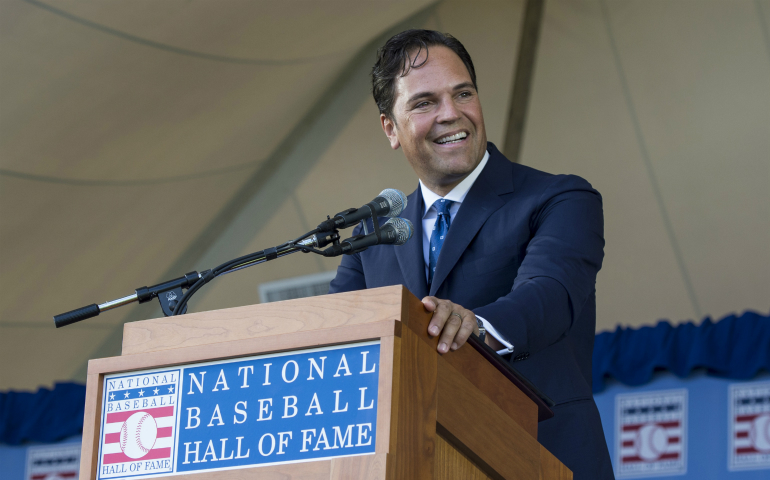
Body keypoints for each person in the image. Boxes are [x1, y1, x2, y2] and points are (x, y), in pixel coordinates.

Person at [329, 29, 614, 479]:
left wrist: (477, 325)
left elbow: (550, 294)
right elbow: (337, 342)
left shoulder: (560, 198)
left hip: (541, 457)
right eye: (424, 103)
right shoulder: (373, 234)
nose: (451, 114)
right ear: (391, 128)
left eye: (463, 93)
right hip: (416, 462)